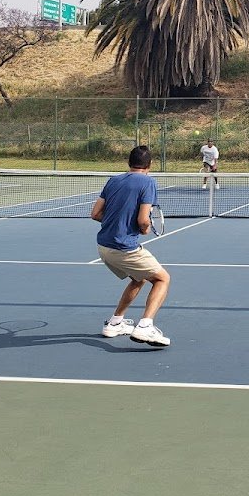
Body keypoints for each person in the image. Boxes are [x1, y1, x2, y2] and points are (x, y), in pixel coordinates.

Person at [92, 144, 172, 347]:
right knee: (162, 279)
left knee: (139, 278)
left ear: (129, 162)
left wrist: (120, 223)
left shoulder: (113, 180)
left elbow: (96, 214)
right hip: (123, 248)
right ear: (150, 165)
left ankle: (115, 323)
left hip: (103, 247)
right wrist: (144, 228)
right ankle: (145, 326)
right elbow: (143, 220)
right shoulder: (148, 182)